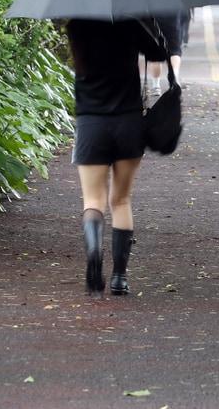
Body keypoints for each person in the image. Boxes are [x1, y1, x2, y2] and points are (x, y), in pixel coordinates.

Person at [65, 18, 169, 297]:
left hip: (91, 123)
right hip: (128, 123)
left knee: (93, 200)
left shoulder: (77, 25)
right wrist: (152, 27)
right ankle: (119, 278)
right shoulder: (130, 24)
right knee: (121, 200)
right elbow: (159, 54)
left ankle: (94, 252)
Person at [146, 11, 187, 96]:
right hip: (172, 14)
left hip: (152, 14)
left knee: (155, 51)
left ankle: (156, 86)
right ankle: (175, 77)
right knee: (174, 49)